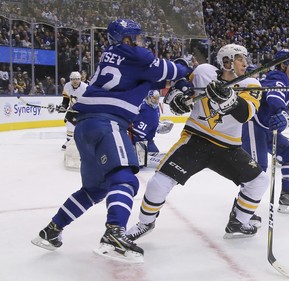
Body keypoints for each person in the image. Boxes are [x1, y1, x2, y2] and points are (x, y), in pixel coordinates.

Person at [31, 18, 192, 263]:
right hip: (108, 122)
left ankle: (51, 231)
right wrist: (186, 67)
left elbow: (152, 79)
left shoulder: (113, 54)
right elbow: (170, 71)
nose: (140, 41)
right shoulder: (137, 55)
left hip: (85, 126)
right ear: (127, 39)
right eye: (136, 37)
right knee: (125, 179)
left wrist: (173, 81)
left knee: (95, 190)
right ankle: (114, 235)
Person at [125, 43, 269, 242]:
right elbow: (183, 87)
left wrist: (230, 100)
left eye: (245, 58)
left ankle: (239, 221)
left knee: (259, 181)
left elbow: (245, 114)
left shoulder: (251, 84)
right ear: (226, 62)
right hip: (195, 140)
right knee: (158, 182)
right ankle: (145, 223)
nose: (245, 63)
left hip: (228, 147)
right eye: (239, 58)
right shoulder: (204, 72)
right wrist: (178, 96)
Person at [242, 49, 289, 214]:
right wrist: (283, 111)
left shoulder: (285, 81)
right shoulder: (277, 78)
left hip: (266, 129)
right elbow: (274, 98)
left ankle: (286, 195)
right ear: (283, 65)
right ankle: (243, 212)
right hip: (253, 126)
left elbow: (282, 108)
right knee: (258, 170)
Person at [57, 71, 88, 150]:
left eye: (77, 79)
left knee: (84, 127)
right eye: (73, 79)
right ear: (70, 80)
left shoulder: (85, 87)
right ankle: (69, 141)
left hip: (83, 111)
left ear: (80, 79)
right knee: (69, 124)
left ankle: (85, 142)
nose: (75, 81)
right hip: (72, 110)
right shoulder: (67, 86)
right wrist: (63, 106)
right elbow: (66, 98)